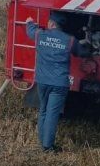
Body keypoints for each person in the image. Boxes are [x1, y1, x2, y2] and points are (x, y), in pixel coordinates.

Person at [25, 12, 87, 152]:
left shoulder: (40, 35)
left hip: (42, 81)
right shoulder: (70, 40)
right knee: (52, 113)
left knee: (43, 111)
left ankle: (43, 142)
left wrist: (29, 21)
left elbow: (30, 31)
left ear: (52, 24)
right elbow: (82, 52)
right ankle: (48, 147)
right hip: (59, 84)